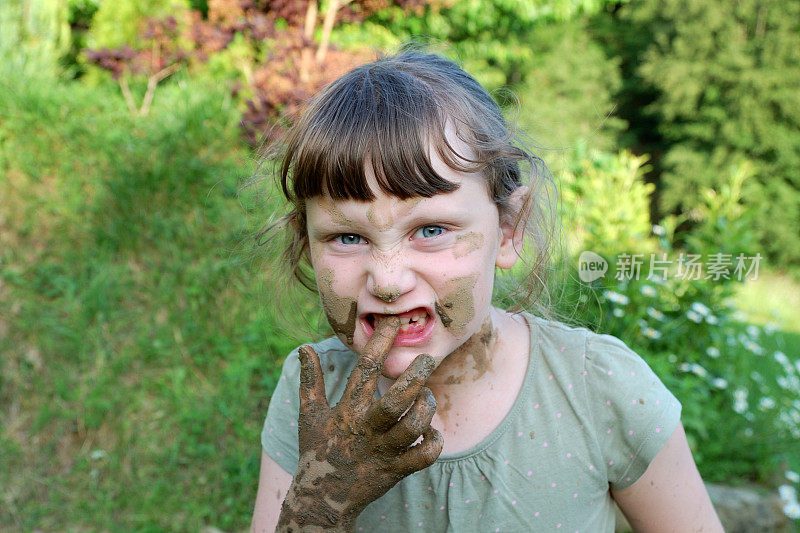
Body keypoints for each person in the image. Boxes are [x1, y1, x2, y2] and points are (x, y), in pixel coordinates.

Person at [250, 50, 723, 532]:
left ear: (509, 227)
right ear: (305, 244)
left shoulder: (598, 388)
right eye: (347, 238)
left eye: (431, 230)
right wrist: (320, 501)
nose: (388, 281)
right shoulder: (314, 396)